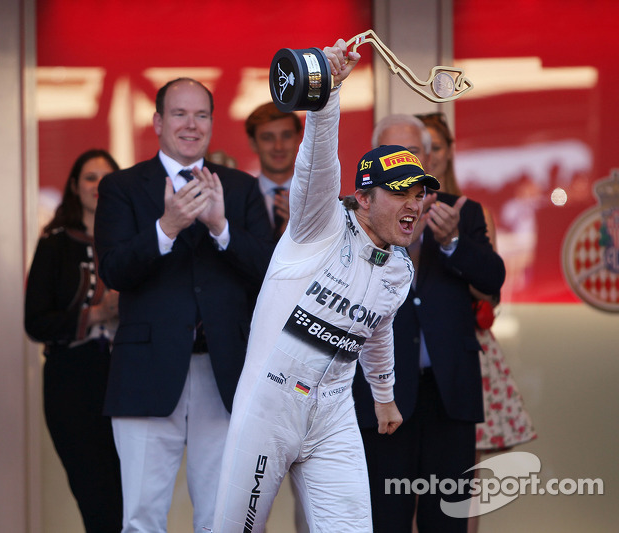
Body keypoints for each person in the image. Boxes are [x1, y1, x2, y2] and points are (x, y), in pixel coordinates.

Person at [211, 40, 441, 532]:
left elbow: (376, 330)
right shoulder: (320, 224)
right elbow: (317, 165)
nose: (415, 205)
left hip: (334, 412)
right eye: (400, 193)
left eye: (420, 194)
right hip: (269, 406)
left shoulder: (400, 269)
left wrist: (383, 396)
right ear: (362, 197)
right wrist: (328, 97)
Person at [93, 78, 274, 532]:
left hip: (225, 372)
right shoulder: (122, 187)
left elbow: (269, 272)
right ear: (157, 122)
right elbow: (114, 270)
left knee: (222, 516)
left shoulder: (240, 187)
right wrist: (166, 227)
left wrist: (221, 228)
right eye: (179, 114)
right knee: (141, 516)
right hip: (147, 371)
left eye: (201, 115)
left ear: (213, 123)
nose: (191, 125)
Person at [352, 112, 506, 532]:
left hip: (448, 394)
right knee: (385, 519)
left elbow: (493, 280)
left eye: (413, 153)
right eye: (393, 155)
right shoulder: (357, 219)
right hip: (382, 397)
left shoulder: (463, 212)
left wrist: (453, 242)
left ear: (429, 158)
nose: (405, 163)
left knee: (448, 519)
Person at [416, 112, 537, 532]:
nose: (427, 155)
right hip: (409, 362)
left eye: (434, 146)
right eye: (418, 146)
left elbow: (491, 291)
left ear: (448, 152)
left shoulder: (468, 212)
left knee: (460, 486)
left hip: (461, 350)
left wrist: (453, 246)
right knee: (403, 490)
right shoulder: (393, 206)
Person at [25, 149, 124, 532]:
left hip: (129, 377)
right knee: (95, 497)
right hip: (72, 381)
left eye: (106, 177)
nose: (98, 185)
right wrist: (97, 314)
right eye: (89, 177)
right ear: (73, 186)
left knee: (135, 495)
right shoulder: (54, 243)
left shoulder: (139, 239)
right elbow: (35, 322)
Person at [245, 102, 303, 239]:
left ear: (299, 137)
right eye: (267, 138)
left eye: (286, 135)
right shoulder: (237, 200)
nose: (278, 147)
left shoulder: (322, 198)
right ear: (253, 143)